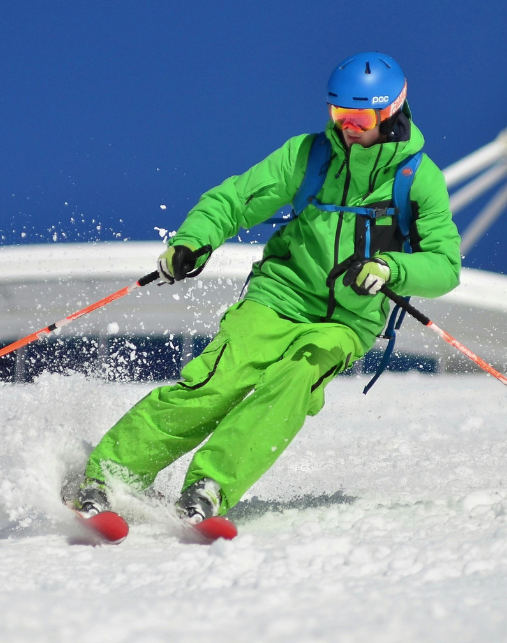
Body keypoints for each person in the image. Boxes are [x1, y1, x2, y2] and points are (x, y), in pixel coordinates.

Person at [75, 52, 461, 523]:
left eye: (360, 118)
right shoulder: (309, 156)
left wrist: (390, 267)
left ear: (391, 112)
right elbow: (235, 200)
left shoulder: (418, 179)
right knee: (218, 381)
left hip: (347, 322)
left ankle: (210, 485)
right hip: (279, 296)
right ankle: (109, 475)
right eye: (339, 113)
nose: (347, 127)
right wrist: (192, 242)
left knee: (295, 380)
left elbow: (445, 265)